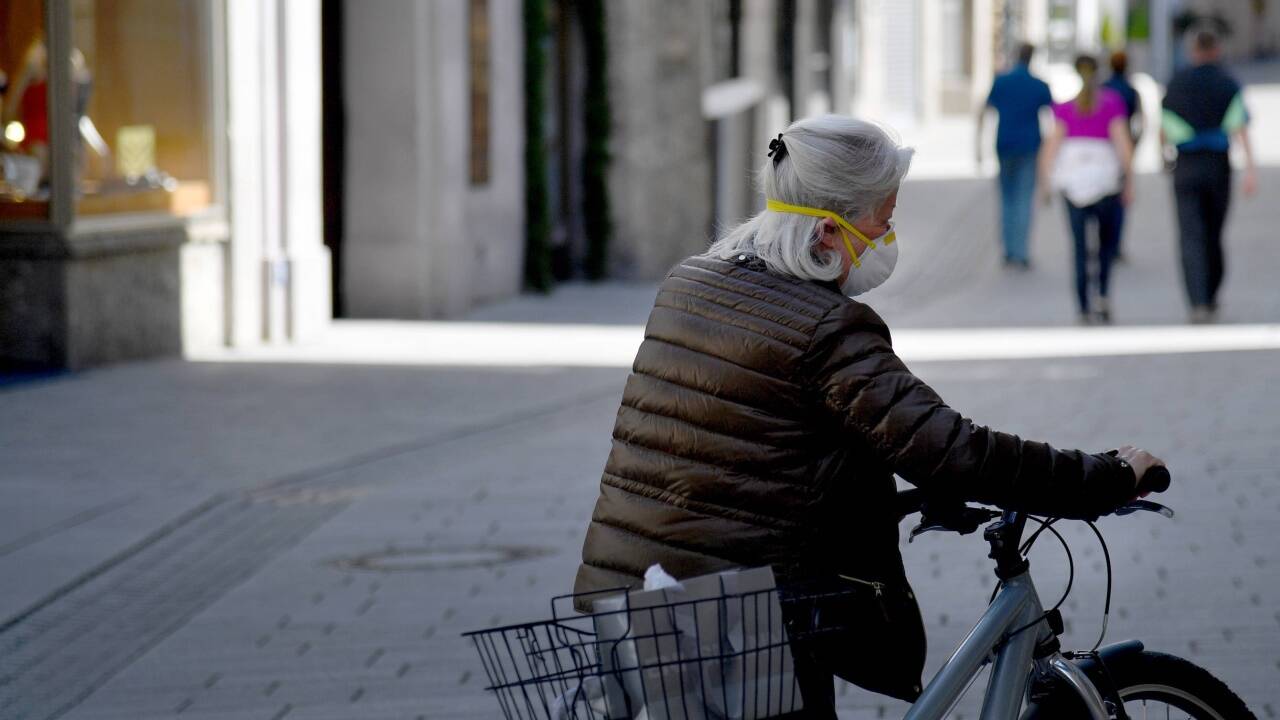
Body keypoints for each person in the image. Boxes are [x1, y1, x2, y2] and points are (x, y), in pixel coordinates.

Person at [574, 115, 1164, 716]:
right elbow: (952, 448)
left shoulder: (688, 283)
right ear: (830, 232)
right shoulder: (826, 327)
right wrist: (1104, 476)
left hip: (630, 604)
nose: (889, 234)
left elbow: (758, 444)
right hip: (738, 629)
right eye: (883, 217)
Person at [1161, 28, 1258, 324]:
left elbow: (1164, 126)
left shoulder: (1176, 83)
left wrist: (1162, 158)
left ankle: (1197, 300)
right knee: (1214, 232)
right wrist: (1250, 168)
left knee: (1190, 234)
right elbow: (1239, 125)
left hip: (1186, 164)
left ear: (1193, 51)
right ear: (1215, 50)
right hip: (1217, 164)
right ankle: (1211, 294)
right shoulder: (1227, 83)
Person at [1038, 54, 1134, 325]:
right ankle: (1102, 296)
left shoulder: (1066, 109)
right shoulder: (1112, 104)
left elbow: (1050, 148)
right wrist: (1129, 181)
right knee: (1105, 246)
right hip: (1106, 182)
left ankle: (1082, 306)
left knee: (1080, 248)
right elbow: (1123, 145)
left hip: (1073, 185)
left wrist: (1045, 184)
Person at [976, 43, 1054, 270]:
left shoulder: (1001, 81)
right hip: (1029, 146)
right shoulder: (1039, 85)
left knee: (1007, 198)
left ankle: (1008, 251)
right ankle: (1021, 252)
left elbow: (984, 111)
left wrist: (978, 149)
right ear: (1032, 58)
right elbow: (1053, 118)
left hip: (1004, 144)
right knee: (1024, 198)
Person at [1102, 50, 1145, 262]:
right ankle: (1115, 244)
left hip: (1105, 145)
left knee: (1103, 194)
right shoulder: (1130, 90)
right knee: (1121, 195)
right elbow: (1141, 121)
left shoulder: (1103, 88)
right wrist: (1135, 144)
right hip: (1124, 143)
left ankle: (1104, 241)